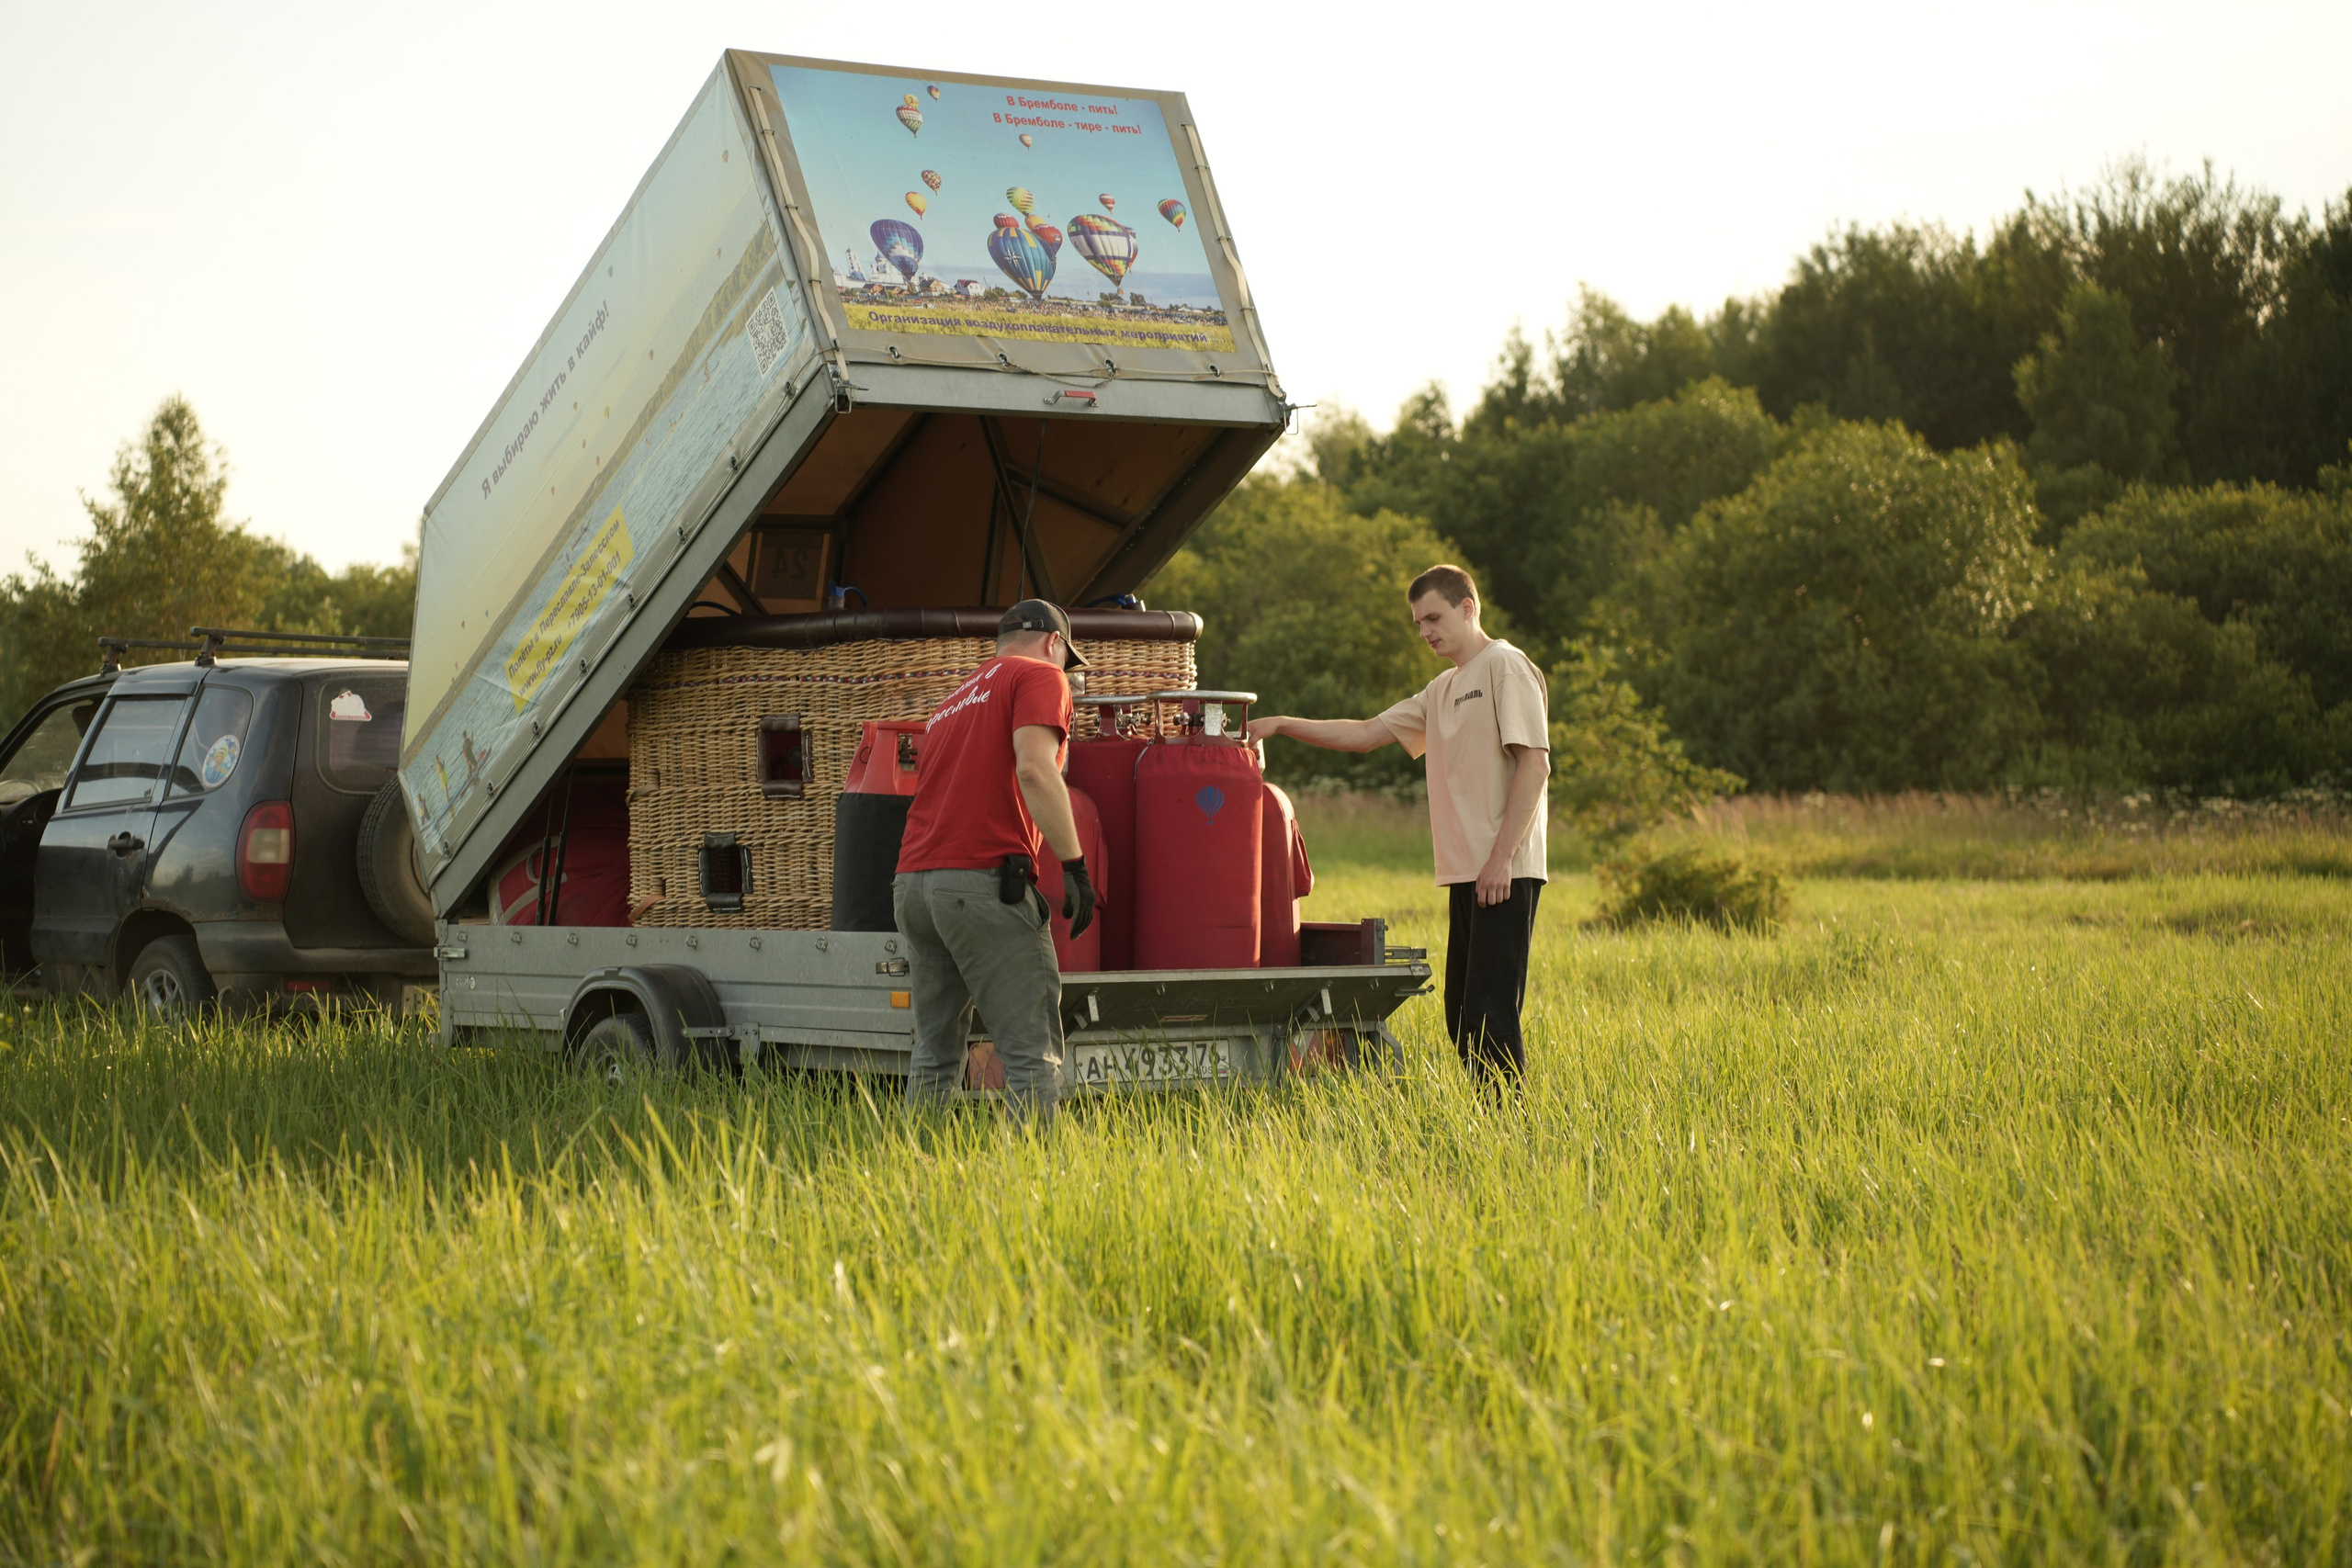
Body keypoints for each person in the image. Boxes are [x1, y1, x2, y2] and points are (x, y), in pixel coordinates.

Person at [1248, 565, 1549, 1087]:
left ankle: (1514, 1125)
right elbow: (1364, 734)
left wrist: (1502, 859)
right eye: (1418, 624)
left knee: (1490, 1018)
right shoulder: (1442, 689)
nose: (1425, 631)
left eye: (1433, 618)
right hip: (1469, 873)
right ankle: (1496, 1120)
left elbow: (1535, 765)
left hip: (1504, 872)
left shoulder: (1505, 666)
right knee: (1462, 1018)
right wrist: (1280, 724)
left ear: (1467, 608)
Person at [892, 600, 1097, 1126]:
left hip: (914, 887)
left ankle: (913, 1157)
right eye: (1066, 659)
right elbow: (1035, 770)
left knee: (934, 1052)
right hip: (980, 884)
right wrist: (1075, 866)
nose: (1065, 671)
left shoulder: (950, 704)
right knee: (1032, 1052)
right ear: (1054, 643)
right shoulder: (1040, 676)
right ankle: (1038, 1169)